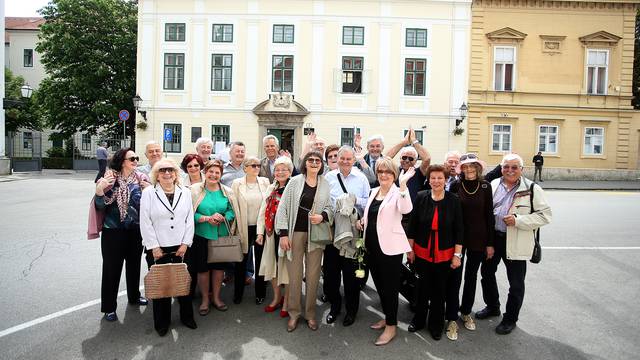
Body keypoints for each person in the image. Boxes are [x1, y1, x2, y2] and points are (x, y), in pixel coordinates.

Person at [476, 153, 552, 335]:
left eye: (514, 167)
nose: (509, 170)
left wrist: (518, 220)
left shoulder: (533, 189)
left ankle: (510, 318)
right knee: (486, 274)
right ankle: (492, 306)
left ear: (521, 170)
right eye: (506, 167)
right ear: (501, 168)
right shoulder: (493, 185)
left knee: (516, 283)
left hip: (516, 241)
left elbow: (545, 216)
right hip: (493, 239)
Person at [356, 156, 414, 346]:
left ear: (394, 174)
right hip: (371, 247)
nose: (383, 175)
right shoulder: (374, 192)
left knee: (390, 288)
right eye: (380, 171)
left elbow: (406, 210)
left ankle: (391, 325)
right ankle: (388, 317)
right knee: (380, 286)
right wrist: (363, 221)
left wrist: (404, 186)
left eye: (388, 171)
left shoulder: (399, 193)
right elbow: (372, 215)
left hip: (390, 250)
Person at [275, 151, 333, 332]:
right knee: (294, 276)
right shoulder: (294, 182)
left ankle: (310, 314)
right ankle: (293, 313)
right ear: (305, 164)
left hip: (315, 234)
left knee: (314, 275)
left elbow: (330, 207)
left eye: (317, 160)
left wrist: (322, 216)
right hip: (295, 233)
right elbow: (282, 208)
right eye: (311, 160)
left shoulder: (325, 183)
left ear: (321, 164)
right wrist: (283, 234)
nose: (314, 163)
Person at [406, 164, 464, 341]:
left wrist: (457, 255)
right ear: (428, 180)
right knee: (422, 289)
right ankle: (419, 320)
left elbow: (459, 230)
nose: (436, 181)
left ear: (445, 180)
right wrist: (410, 250)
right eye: (433, 178)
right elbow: (412, 225)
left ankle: (436, 325)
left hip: (444, 253)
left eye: (440, 178)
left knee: (440, 291)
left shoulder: (453, 200)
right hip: (421, 251)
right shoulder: (420, 196)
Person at [140, 159, 196, 336]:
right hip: (158, 247)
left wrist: (185, 244)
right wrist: (153, 247)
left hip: (181, 246)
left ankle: (187, 318)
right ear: (156, 174)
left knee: (183, 284)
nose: (167, 174)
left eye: (170, 170)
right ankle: (162, 323)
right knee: (161, 286)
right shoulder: (149, 192)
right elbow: (145, 221)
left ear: (176, 173)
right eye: (162, 170)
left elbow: (189, 220)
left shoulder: (185, 192)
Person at [94, 148, 150, 322]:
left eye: (136, 158)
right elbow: (100, 205)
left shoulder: (141, 179)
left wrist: (149, 190)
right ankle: (109, 307)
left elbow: (148, 206)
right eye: (131, 158)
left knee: (134, 266)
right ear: (122, 161)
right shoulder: (110, 178)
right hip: (113, 232)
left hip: (135, 231)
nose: (135, 161)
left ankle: (134, 297)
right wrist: (99, 191)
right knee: (112, 269)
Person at [446, 153, 495, 341]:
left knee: (471, 276)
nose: (468, 169)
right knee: (454, 277)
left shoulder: (485, 186)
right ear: (461, 169)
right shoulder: (455, 185)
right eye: (465, 166)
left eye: (472, 166)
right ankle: (451, 317)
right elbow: (449, 211)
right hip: (457, 238)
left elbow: (489, 215)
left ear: (478, 167)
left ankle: (466, 311)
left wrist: (490, 243)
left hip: (479, 238)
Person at [324, 146, 370, 327]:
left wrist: (354, 200)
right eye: (341, 158)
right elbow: (323, 201)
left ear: (354, 160)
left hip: (356, 232)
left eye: (348, 159)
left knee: (352, 275)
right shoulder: (329, 177)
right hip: (333, 231)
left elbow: (368, 202)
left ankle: (351, 310)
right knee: (331, 273)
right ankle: (334, 307)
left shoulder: (361, 178)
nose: (344, 161)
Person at [190, 160, 238, 315]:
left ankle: (216, 298)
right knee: (202, 269)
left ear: (221, 175)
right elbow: (189, 212)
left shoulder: (227, 191)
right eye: (211, 171)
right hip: (201, 235)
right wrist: (205, 218)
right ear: (205, 172)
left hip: (221, 235)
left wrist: (223, 216)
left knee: (218, 269)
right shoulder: (195, 190)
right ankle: (205, 299)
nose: (214, 175)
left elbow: (232, 211)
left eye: (217, 172)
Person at [257, 156, 294, 317]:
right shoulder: (271, 187)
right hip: (271, 234)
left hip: (288, 234)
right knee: (272, 267)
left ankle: (286, 302)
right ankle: (277, 297)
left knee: (285, 268)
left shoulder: (294, 187)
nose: (280, 172)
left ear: (290, 171)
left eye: (284, 169)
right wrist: (260, 232)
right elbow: (262, 210)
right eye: (277, 170)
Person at [231, 156, 271, 304]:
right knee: (241, 262)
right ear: (245, 168)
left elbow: (268, 205)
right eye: (253, 165)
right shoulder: (237, 183)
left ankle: (260, 293)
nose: (256, 168)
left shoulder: (265, 182)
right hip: (243, 228)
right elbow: (233, 206)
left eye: (258, 165)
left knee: (261, 261)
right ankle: (238, 294)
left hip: (260, 228)